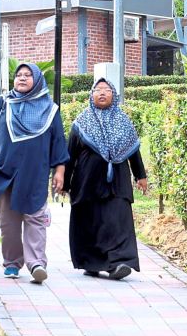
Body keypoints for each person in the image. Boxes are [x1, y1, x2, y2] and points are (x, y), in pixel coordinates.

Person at [0, 62, 69, 284]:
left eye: (28, 75)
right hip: (5, 173)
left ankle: (37, 263)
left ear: (37, 80)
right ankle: (11, 263)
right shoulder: (2, 103)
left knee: (35, 217)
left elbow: (58, 141)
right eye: (19, 74)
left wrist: (59, 171)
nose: (22, 78)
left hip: (35, 174)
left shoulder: (50, 109)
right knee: (8, 222)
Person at [63, 78, 148, 280]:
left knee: (117, 220)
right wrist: (64, 183)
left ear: (114, 96)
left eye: (107, 90)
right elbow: (70, 155)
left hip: (117, 183)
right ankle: (91, 263)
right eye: (98, 90)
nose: (102, 93)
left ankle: (119, 262)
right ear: (91, 95)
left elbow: (132, 150)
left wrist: (140, 175)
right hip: (87, 183)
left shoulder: (123, 121)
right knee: (89, 221)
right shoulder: (81, 123)